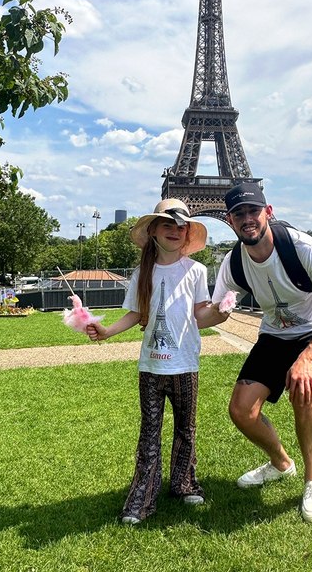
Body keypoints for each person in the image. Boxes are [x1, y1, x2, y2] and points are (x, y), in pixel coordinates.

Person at [198, 181, 312, 522]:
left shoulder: (302, 248)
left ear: (268, 212)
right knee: (241, 410)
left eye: (253, 211)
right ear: (230, 220)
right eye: (239, 214)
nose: (247, 219)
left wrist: (307, 358)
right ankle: (282, 464)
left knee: (303, 384)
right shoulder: (234, 262)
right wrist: (175, 319)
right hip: (275, 334)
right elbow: (214, 311)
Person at [86, 198, 212, 525]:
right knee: (150, 432)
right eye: (167, 224)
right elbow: (136, 314)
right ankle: (143, 493)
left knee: (186, 428)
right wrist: (107, 331)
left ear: (187, 234)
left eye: (180, 226)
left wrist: (221, 312)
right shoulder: (142, 272)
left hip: (185, 365)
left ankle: (184, 483)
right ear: (153, 230)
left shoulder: (197, 271)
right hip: (151, 368)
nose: (174, 230)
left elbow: (201, 314)